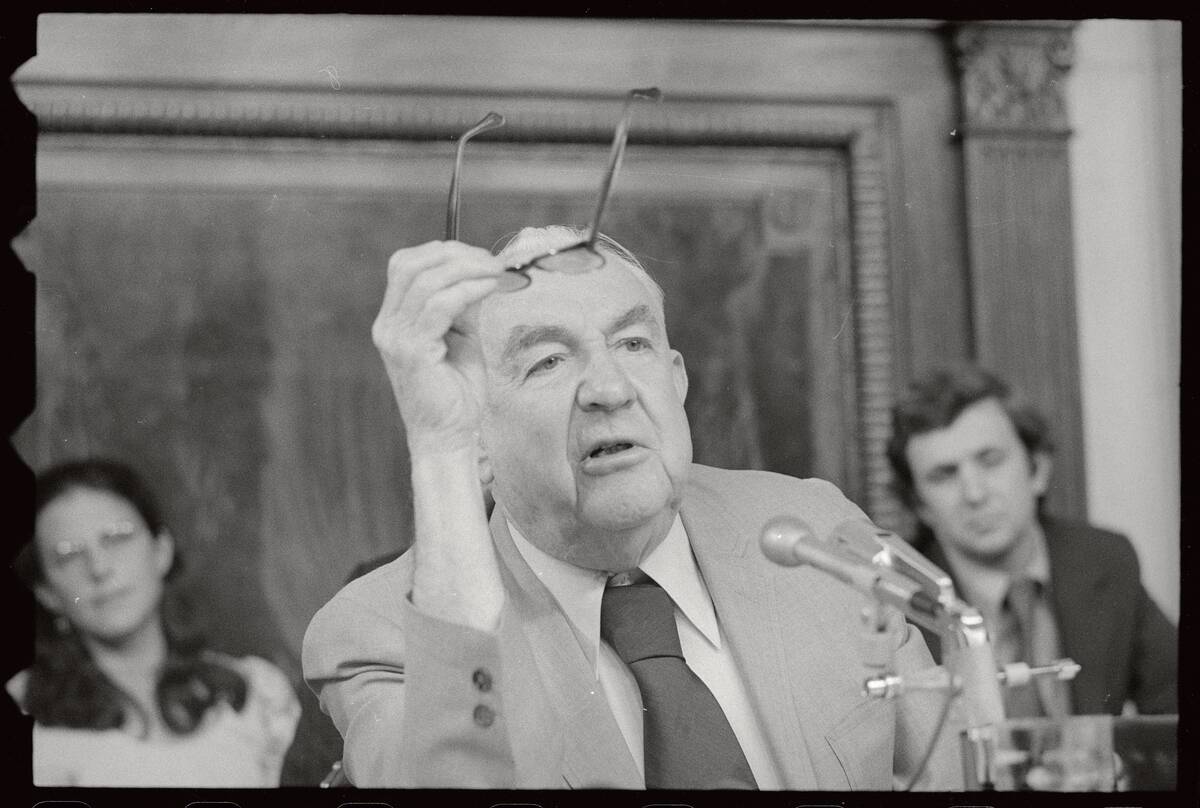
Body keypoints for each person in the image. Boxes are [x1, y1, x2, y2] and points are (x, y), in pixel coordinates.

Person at [303, 225, 963, 790]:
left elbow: (953, 769)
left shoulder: (813, 533)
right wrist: (439, 448)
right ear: (475, 426)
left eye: (633, 344)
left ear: (677, 379)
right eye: (548, 361)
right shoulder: (379, 633)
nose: (610, 388)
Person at [886, 363, 1177, 718]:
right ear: (919, 506)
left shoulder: (1105, 560)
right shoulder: (897, 602)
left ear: (1037, 470)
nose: (974, 493)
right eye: (944, 475)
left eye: (990, 461)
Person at [10, 458, 301, 786]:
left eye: (117, 537)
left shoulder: (254, 694)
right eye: (68, 555)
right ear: (47, 593)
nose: (99, 568)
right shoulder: (24, 713)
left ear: (161, 550)